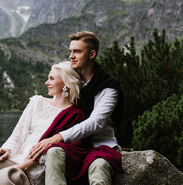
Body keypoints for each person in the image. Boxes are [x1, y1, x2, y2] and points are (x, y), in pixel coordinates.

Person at [0, 61, 85, 185]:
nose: (46, 82)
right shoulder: (37, 102)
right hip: (18, 155)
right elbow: (18, 133)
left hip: (38, 164)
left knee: (9, 179)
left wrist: (26, 165)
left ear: (66, 83)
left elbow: (62, 151)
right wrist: (7, 149)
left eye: (51, 79)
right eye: (48, 78)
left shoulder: (75, 115)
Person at [29, 31, 124, 185]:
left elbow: (96, 122)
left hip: (100, 145)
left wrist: (58, 136)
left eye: (77, 51)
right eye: (70, 51)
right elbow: (60, 107)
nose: (71, 56)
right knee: (53, 151)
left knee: (98, 167)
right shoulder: (72, 81)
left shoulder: (109, 86)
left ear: (92, 54)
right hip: (75, 145)